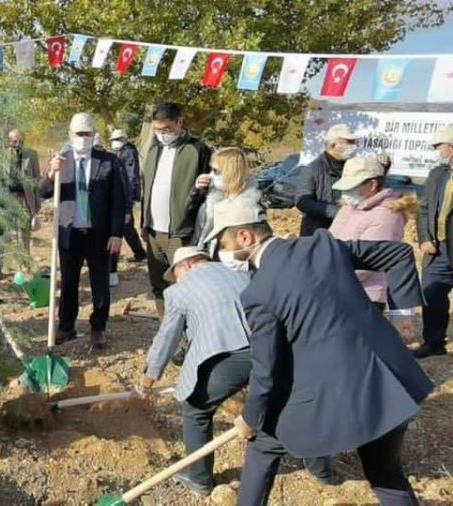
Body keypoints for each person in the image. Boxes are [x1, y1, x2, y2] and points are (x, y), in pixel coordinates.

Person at [207, 198, 432, 505]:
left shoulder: (259, 293)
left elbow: (266, 369)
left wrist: (251, 417)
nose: (222, 254)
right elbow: (400, 252)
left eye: (222, 244)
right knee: (386, 474)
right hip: (388, 379)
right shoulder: (322, 245)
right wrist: (403, 314)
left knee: (262, 446)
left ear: (245, 236)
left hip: (332, 393)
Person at [137, 247, 251, 495]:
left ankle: (199, 479)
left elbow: (166, 339)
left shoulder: (179, 290)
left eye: (175, 273)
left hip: (231, 355)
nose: (175, 280)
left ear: (186, 266)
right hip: (271, 348)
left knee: (195, 409)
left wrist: (146, 381)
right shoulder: (239, 273)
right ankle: (319, 467)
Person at [41, 112, 125, 349]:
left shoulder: (108, 161)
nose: (83, 138)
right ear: (70, 135)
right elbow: (43, 192)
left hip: (99, 234)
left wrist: (117, 233)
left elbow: (118, 200)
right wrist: (51, 173)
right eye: (79, 134)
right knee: (69, 282)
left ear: (94, 135)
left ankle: (98, 328)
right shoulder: (61, 160)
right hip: (69, 233)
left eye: (87, 134)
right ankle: (66, 326)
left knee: (100, 283)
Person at [140, 103, 212, 312]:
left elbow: (208, 193)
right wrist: (145, 223)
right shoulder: (153, 150)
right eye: (157, 130)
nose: (162, 134)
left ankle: (188, 339)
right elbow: (148, 189)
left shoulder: (198, 150)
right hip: (154, 233)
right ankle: (168, 333)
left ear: (179, 122)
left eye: (167, 129)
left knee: (185, 288)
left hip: (182, 233)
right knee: (159, 286)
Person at [329, 157, 416, 312]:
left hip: (364, 296)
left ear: (373, 184)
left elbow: (366, 265)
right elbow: (328, 242)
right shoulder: (348, 208)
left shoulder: (386, 216)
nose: (346, 192)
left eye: (353, 187)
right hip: (335, 288)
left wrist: (324, 277)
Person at [296, 123, 392, 237]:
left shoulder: (353, 165)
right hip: (317, 232)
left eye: (354, 142)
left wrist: (382, 168)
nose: (354, 146)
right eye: (349, 142)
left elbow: (372, 189)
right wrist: (337, 211)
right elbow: (302, 202)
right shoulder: (313, 169)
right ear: (333, 145)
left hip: (346, 231)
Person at [415, 125, 453, 358]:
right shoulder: (437, 174)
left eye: (441, 147)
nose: (439, 152)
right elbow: (423, 208)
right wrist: (424, 238)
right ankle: (434, 342)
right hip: (438, 250)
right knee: (432, 296)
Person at [193, 147, 261, 254]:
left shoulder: (252, 206)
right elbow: (185, 214)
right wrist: (195, 191)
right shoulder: (212, 193)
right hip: (204, 255)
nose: (211, 175)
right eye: (211, 170)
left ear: (231, 172)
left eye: (216, 171)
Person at [108, 129, 146, 286]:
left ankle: (139, 254)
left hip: (125, 200)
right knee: (127, 229)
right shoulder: (121, 153)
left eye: (118, 139)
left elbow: (130, 180)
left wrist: (127, 207)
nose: (115, 141)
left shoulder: (128, 153)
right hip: (122, 200)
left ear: (124, 139)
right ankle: (139, 254)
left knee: (125, 228)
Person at [7, 130, 41, 254]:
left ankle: (25, 261)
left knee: (24, 232)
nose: (17, 144)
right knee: (6, 233)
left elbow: (37, 180)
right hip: (7, 198)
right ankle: (4, 265)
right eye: (14, 141)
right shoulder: (2, 156)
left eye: (20, 140)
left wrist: (37, 205)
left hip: (24, 198)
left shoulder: (31, 155)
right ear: (9, 141)